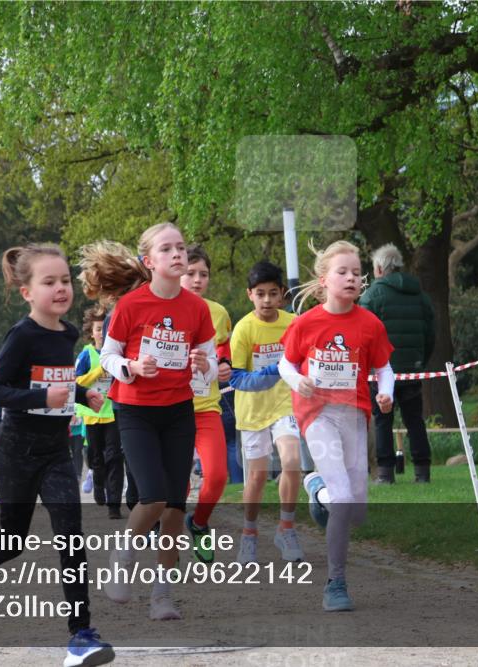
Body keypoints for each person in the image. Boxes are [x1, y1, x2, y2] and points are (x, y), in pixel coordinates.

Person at [0, 244, 113, 667]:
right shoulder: (21, 335)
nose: (60, 289)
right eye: (49, 282)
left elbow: (57, 383)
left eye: (65, 281)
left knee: (70, 536)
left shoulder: (67, 334)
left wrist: (81, 393)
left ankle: (80, 635)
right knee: (13, 540)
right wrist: (47, 395)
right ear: (27, 292)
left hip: (57, 451)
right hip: (16, 451)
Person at [78, 224, 216, 621]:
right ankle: (122, 555)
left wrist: (204, 366)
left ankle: (162, 595)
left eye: (182, 248)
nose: (178, 254)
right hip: (135, 409)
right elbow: (107, 357)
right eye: (167, 249)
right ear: (148, 261)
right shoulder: (132, 306)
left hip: (178, 410)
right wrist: (131, 366)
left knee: (174, 507)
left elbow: (205, 371)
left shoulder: (197, 309)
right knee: (152, 497)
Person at [278, 240, 395, 612]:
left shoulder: (370, 324)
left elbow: (384, 368)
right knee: (343, 498)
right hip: (318, 415)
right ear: (324, 279)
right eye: (342, 272)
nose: (351, 278)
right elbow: (286, 365)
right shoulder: (307, 323)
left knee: (356, 510)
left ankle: (316, 489)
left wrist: (385, 393)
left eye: (357, 273)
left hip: (355, 416)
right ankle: (335, 583)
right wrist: (299, 383)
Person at [228, 261, 305, 564]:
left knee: (292, 460)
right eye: (260, 294)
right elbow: (236, 379)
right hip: (252, 410)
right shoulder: (244, 329)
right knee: (258, 476)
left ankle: (286, 528)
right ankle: (249, 533)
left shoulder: (294, 322)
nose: (267, 300)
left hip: (285, 404)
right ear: (250, 295)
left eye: (273, 293)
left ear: (283, 294)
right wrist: (277, 370)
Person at [358, 243, 434, 484]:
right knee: (415, 419)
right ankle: (422, 472)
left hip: (380, 371)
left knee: (382, 420)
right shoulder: (420, 295)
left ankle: (385, 473)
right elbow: (430, 332)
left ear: (379, 268)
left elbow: (362, 334)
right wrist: (420, 361)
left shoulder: (372, 295)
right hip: (413, 367)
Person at [179, 245, 233, 564]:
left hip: (207, 406)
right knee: (177, 482)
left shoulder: (219, 313)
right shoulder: (164, 308)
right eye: (191, 274)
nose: (197, 280)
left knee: (216, 476)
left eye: (204, 275)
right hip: (173, 408)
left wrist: (224, 366)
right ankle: (167, 534)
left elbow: (223, 354)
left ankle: (199, 523)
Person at [75, 305, 129, 519]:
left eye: (104, 329)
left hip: (112, 411)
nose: (101, 333)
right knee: (95, 457)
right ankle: (98, 484)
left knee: (114, 456)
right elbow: (76, 381)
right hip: (92, 413)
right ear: (91, 332)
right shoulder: (86, 354)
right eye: (98, 329)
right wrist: (98, 371)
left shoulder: (116, 353)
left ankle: (114, 504)